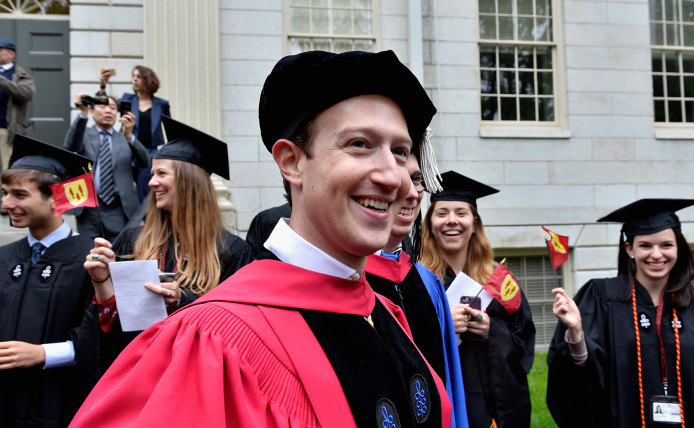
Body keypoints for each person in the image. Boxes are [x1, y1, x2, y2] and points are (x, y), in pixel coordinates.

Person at [71, 49, 452, 427]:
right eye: (359, 144)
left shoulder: (386, 313)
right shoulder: (213, 342)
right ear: (291, 162)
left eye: (401, 152)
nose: (393, 177)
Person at [547, 198, 694, 428]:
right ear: (629, 248)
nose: (656, 255)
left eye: (666, 245)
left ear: (678, 247)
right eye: (645, 245)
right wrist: (577, 334)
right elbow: (579, 385)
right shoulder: (601, 298)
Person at [82, 115, 252, 369]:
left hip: (197, 373)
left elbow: (240, 327)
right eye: (152, 173)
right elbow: (109, 328)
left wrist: (182, 301)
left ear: (189, 182)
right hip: (138, 370)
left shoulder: (232, 251)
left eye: (161, 173)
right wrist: (101, 279)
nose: (151, 182)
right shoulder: (132, 241)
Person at [420, 170, 536, 428]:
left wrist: (492, 331)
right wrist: (441, 325)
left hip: (491, 408)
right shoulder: (417, 284)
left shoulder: (500, 285)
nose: (452, 221)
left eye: (461, 213)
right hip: (442, 407)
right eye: (442, 213)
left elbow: (524, 344)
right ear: (429, 225)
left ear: (474, 224)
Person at [0, 135, 100, 426]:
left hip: (61, 402)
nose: (6, 204)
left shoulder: (91, 259)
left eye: (19, 195)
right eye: (5, 193)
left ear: (55, 198)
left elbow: (99, 337)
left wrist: (44, 353)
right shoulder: (5, 258)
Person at [365, 151, 469, 428]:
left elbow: (451, 388)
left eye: (417, 179)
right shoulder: (348, 280)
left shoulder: (427, 283)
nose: (412, 193)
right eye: (401, 179)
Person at [64, 92, 149, 242]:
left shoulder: (124, 138)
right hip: (89, 208)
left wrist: (130, 137)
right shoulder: (84, 134)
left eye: (112, 107)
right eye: (103, 106)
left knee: (119, 252)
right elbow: (70, 146)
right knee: (89, 251)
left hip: (118, 207)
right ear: (91, 111)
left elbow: (145, 162)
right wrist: (82, 113)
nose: (108, 111)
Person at [100, 65, 171, 201]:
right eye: (133, 76)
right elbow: (105, 107)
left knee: (145, 186)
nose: (134, 80)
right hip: (127, 149)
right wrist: (103, 86)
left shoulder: (161, 104)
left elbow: (170, 128)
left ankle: (143, 218)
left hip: (150, 152)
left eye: (138, 76)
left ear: (148, 79)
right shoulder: (127, 99)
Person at [0, 38, 35, 171]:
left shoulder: (21, 75)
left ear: (11, 54)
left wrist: (2, 81)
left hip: (6, 130)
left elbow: (26, 94)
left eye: (0, 50)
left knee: (8, 170)